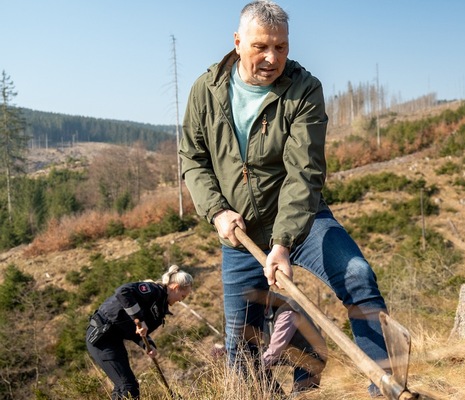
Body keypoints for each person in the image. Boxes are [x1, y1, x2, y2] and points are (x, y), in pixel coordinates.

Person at [179, 1, 389, 396]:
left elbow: (304, 171)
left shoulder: (304, 90)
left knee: (359, 276)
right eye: (261, 46)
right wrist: (217, 211)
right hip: (239, 233)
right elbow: (192, 157)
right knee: (240, 347)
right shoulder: (205, 91)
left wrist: (282, 243)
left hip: (302, 223)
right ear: (238, 42)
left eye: (281, 47)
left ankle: (386, 383)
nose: (272, 58)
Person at [86, 265, 193, 399]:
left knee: (125, 387)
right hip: (101, 337)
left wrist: (148, 345)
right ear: (175, 287)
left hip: (114, 341)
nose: (180, 300)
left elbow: (137, 333)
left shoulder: (160, 312)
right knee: (128, 387)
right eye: (182, 296)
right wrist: (139, 319)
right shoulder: (153, 290)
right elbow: (122, 292)